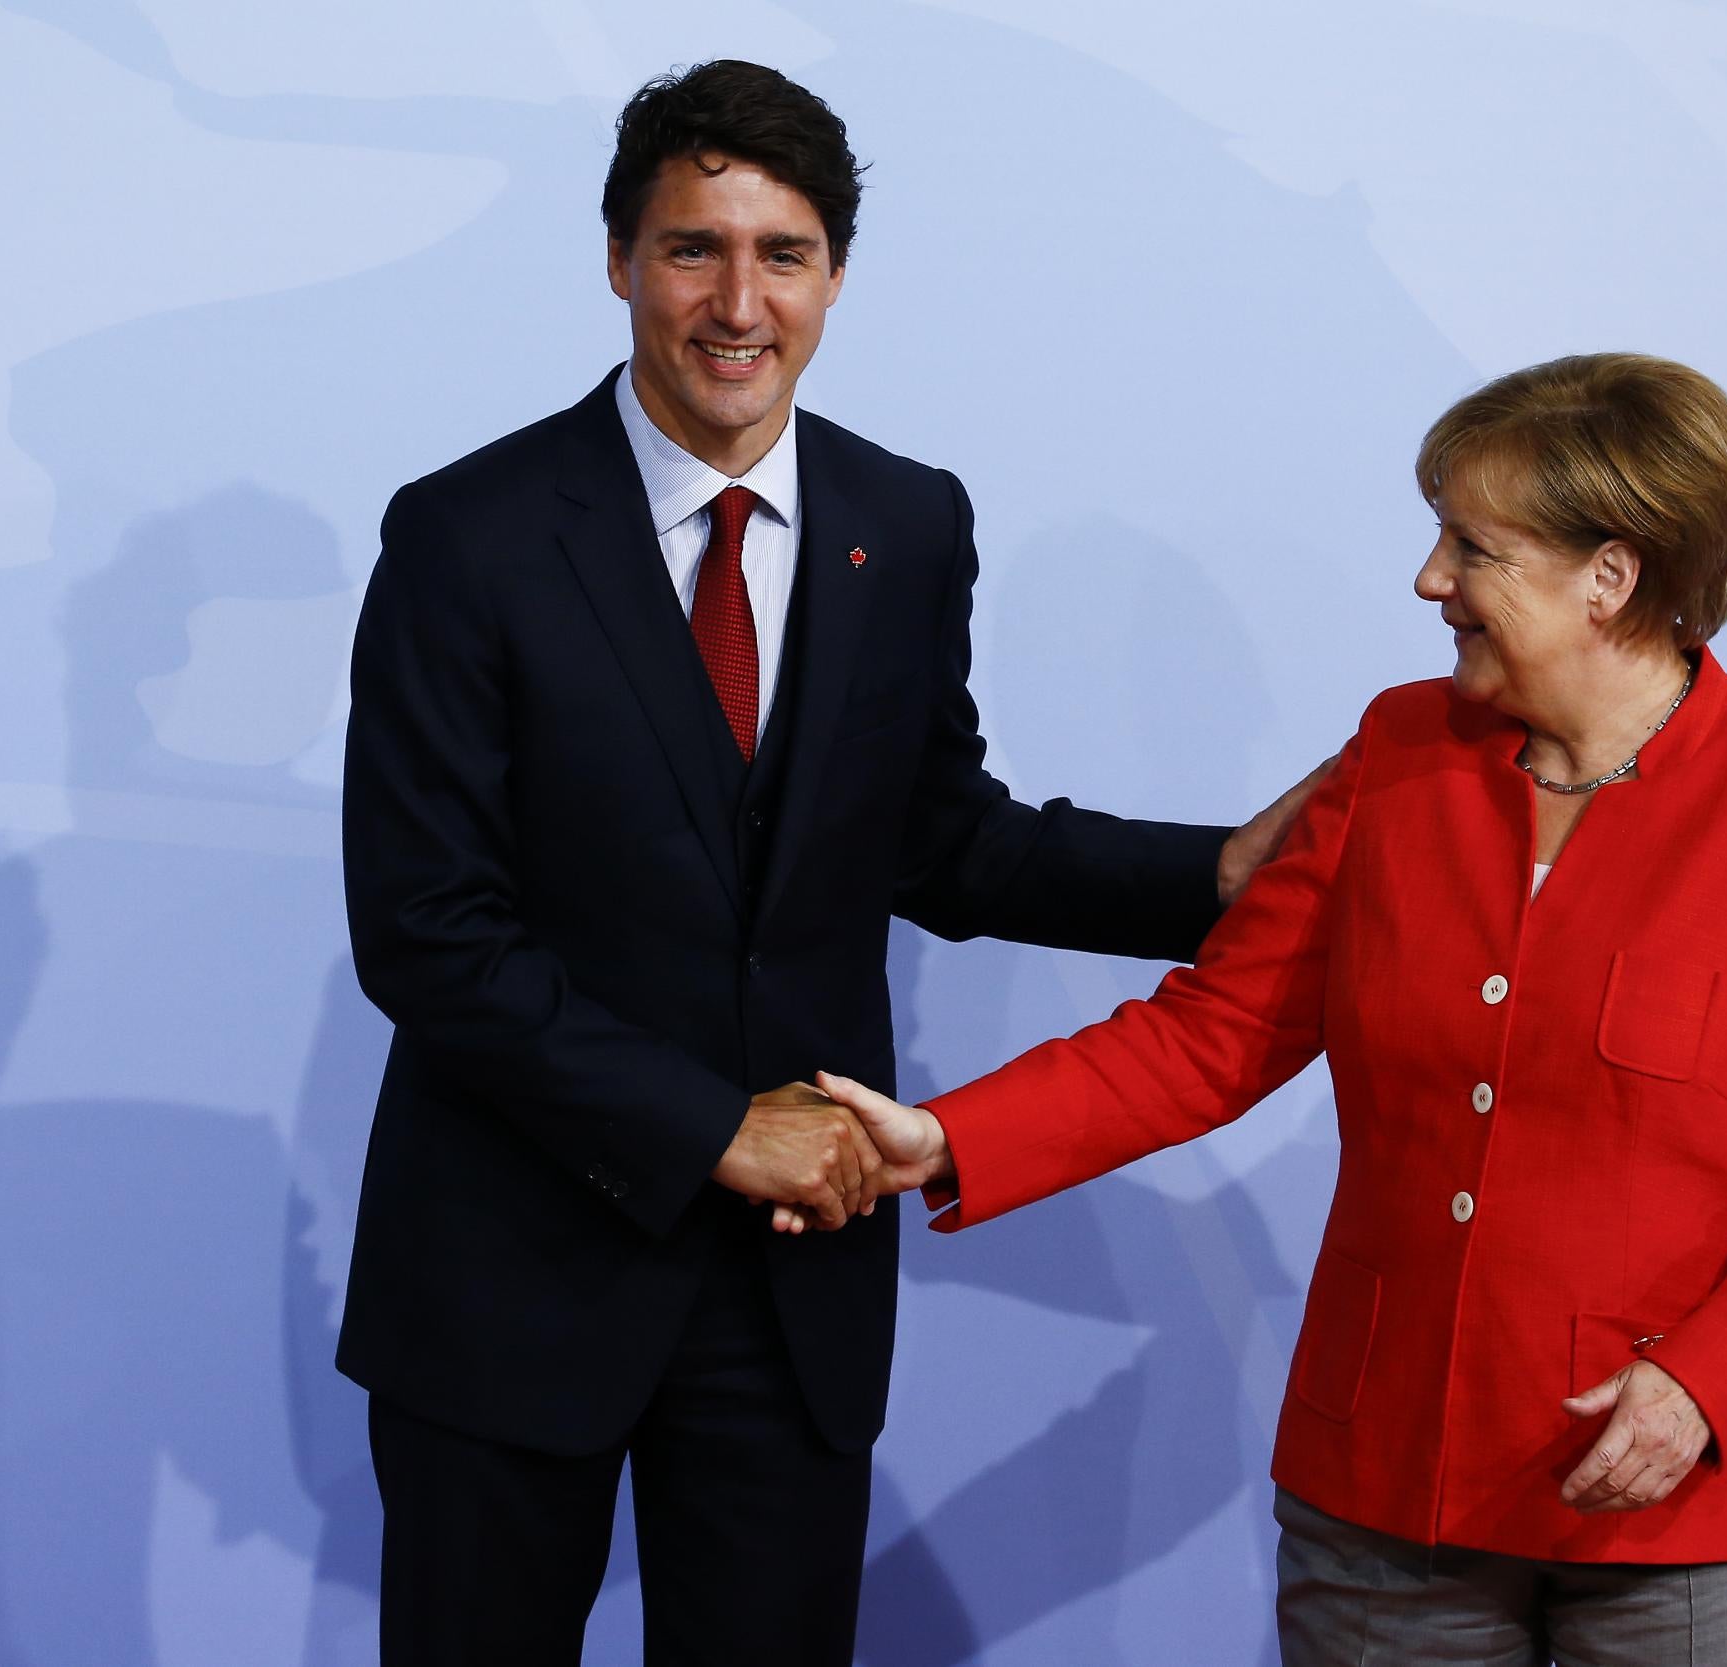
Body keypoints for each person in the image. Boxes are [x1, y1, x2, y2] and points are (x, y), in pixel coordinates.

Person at [335, 59, 1320, 1666]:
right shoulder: (469, 533)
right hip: (515, 1279)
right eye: (691, 249)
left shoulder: (905, 518)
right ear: (617, 262)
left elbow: (937, 833)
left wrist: (1214, 874)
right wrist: (716, 1128)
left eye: (783, 254)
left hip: (789, 1292)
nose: (739, 302)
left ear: (836, 277)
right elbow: (430, 934)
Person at [828, 353, 1727, 1666]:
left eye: (1472, 548)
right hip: (1391, 1491)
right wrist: (949, 1136)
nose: (1430, 582)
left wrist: (1703, 1384)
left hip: (1695, 1513)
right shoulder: (1398, 752)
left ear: (1612, 574)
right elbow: (1217, 1035)